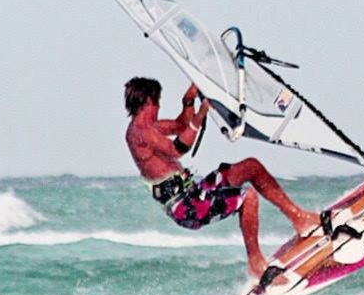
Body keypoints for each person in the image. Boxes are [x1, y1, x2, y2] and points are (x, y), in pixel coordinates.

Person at [123, 77, 320, 279]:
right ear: (148, 101)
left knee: (250, 167)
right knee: (248, 197)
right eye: (157, 102)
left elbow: (183, 126)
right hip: (186, 207)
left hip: (195, 192)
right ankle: (256, 263)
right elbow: (178, 149)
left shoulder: (151, 127)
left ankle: (298, 217)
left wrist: (188, 102)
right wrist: (202, 113)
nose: (158, 107)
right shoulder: (140, 132)